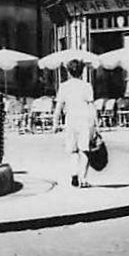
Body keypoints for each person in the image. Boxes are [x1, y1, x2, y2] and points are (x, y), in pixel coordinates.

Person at [54, 59, 99, 188]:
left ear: (68, 71)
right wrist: (96, 124)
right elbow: (91, 106)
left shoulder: (64, 86)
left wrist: (55, 123)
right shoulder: (86, 86)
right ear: (82, 71)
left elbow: (59, 107)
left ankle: (74, 174)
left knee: (73, 150)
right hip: (84, 119)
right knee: (84, 150)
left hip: (70, 120)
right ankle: (83, 179)